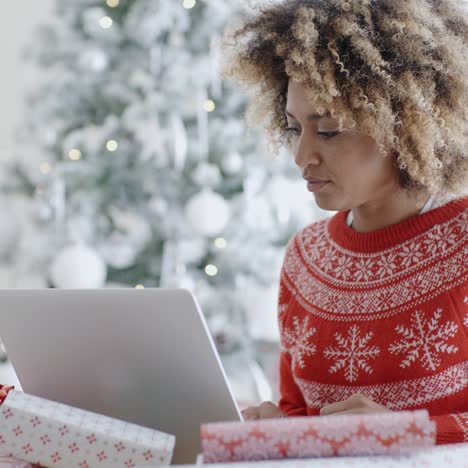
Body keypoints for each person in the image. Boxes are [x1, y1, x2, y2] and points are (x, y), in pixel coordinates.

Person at [221, 0, 467, 444]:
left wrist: (411, 433)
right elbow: (300, 411)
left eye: (329, 130)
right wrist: (278, 428)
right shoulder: (305, 259)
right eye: (294, 127)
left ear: (406, 123)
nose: (301, 157)